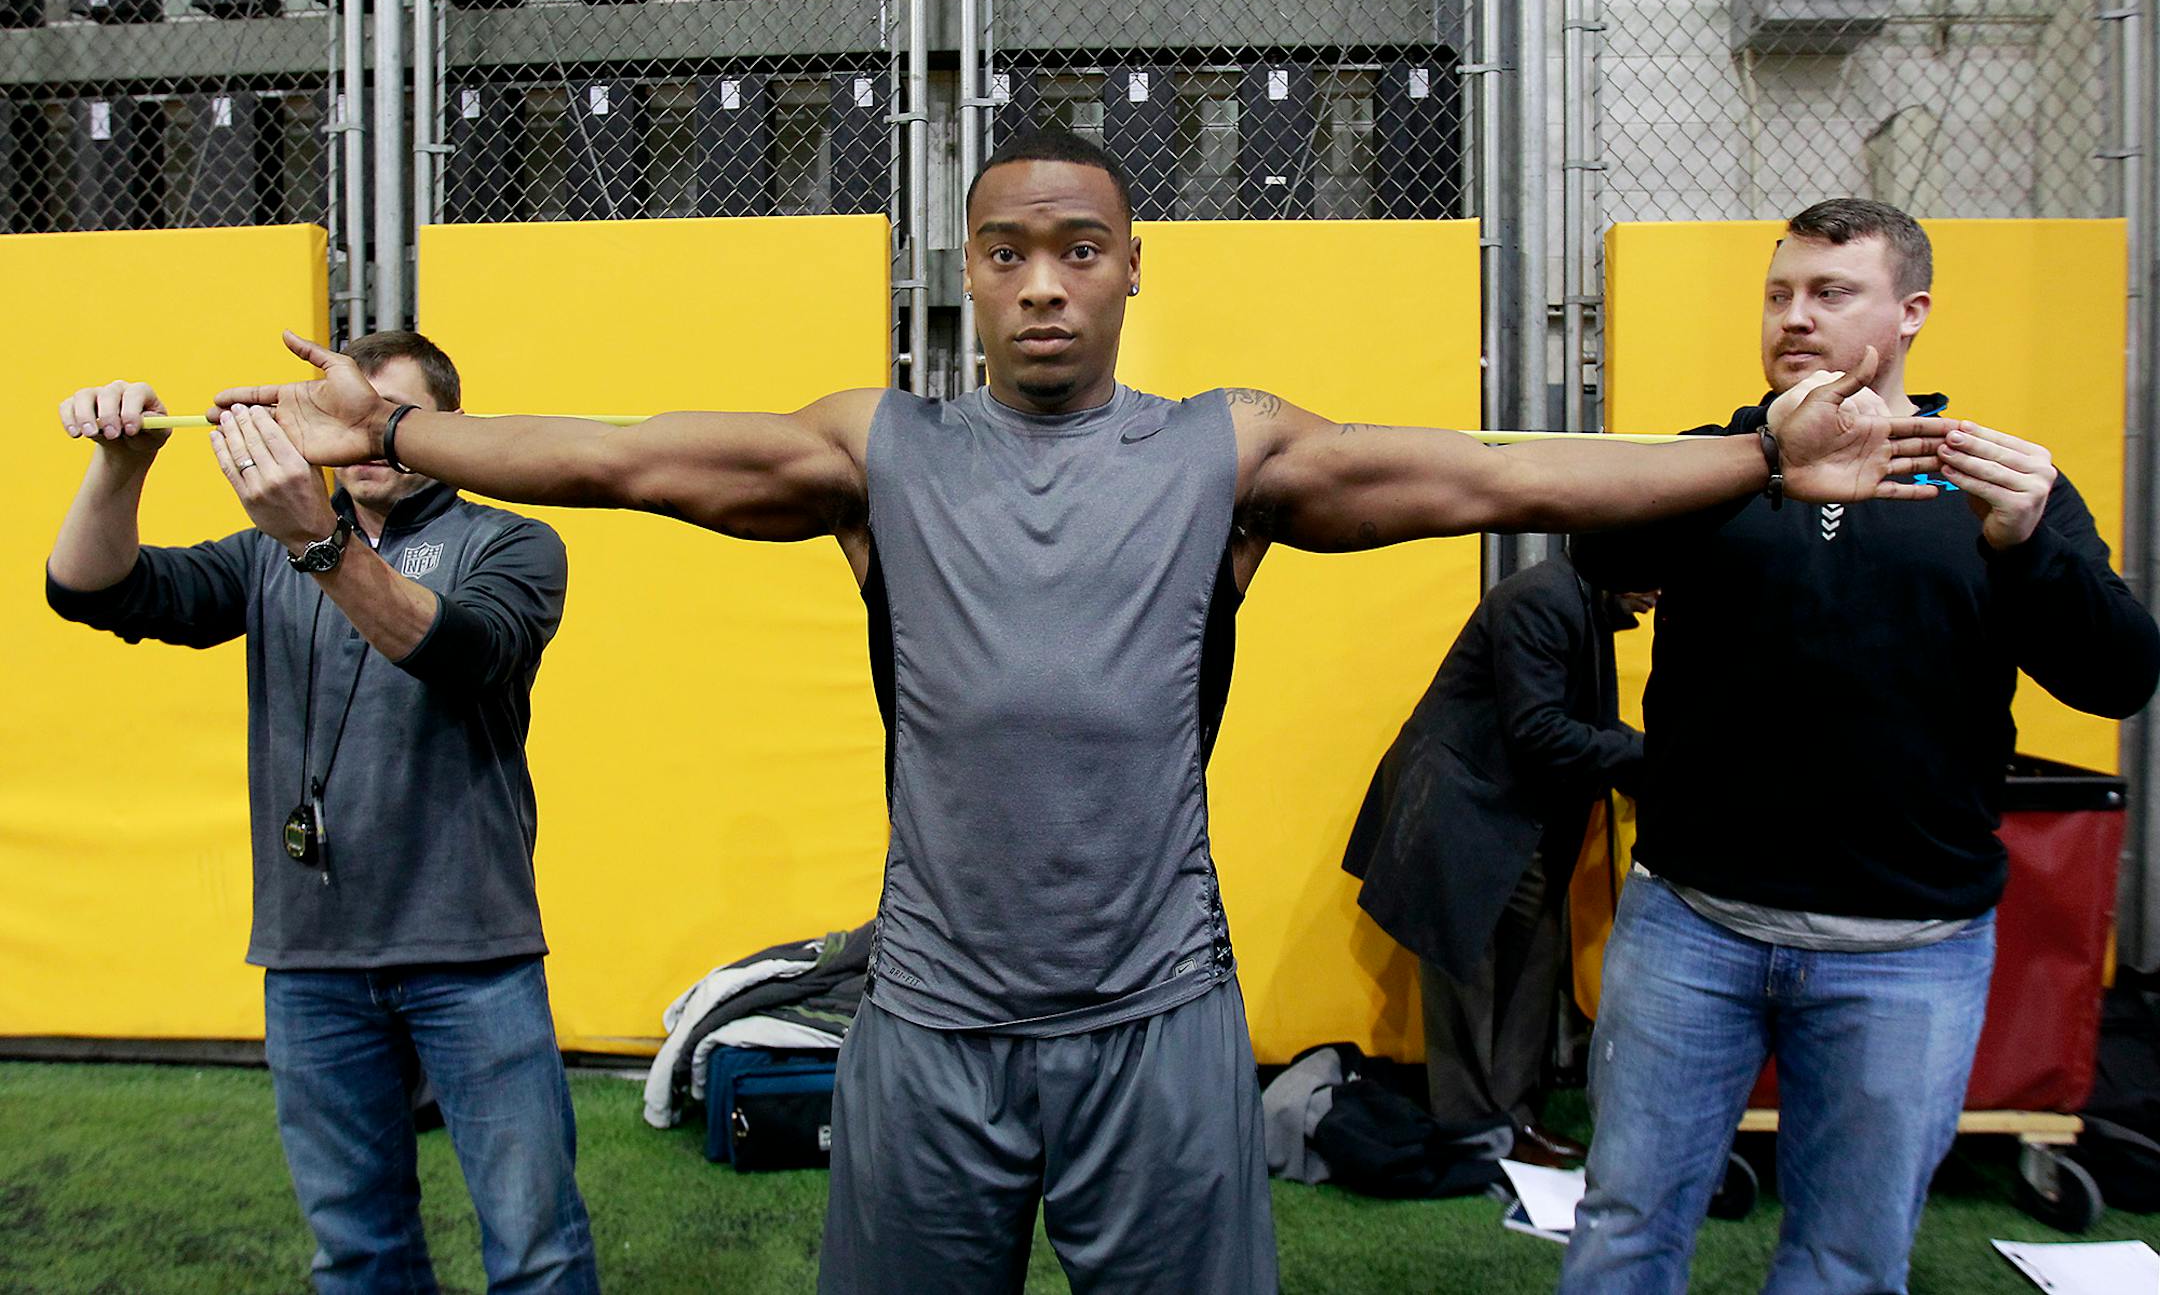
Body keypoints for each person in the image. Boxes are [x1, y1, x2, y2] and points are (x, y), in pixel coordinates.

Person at [208, 129, 1947, 1293]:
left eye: (1080, 249)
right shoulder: (877, 448)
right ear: (965, 274)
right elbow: (626, 455)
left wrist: (1757, 453)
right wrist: (401, 434)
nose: (1044, 281)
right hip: (932, 1018)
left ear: (1130, 272)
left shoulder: (1227, 450)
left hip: (1159, 1011)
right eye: (1009, 252)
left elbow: (1492, 472)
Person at [1560, 198, 2160, 1293]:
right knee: (1626, 1227)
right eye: (1779, 293)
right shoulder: (1714, 465)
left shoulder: (1993, 481)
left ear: (1912, 311)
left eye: (1831, 292)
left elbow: (2119, 673)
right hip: (1693, 922)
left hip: (1909, 947)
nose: (1795, 316)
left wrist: (2027, 548)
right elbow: (1597, 547)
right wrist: (1758, 460)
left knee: (1848, 1259)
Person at [50, 332, 599, 1294]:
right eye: (344, 414)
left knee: (537, 1250)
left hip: (473, 951)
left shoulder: (510, 542)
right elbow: (92, 591)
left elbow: (468, 653)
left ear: (449, 429)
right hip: (310, 961)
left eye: (388, 417)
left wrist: (319, 542)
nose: (359, 437)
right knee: (356, 1252)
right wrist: (120, 467)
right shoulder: (271, 555)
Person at [1343, 554, 1654, 1166]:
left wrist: (1652, 755)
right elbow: (1538, 731)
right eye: (1656, 574)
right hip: (1461, 812)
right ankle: (1471, 1134)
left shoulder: (1577, 601)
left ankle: (1511, 1122)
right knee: (1465, 983)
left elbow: (1574, 725)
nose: (1659, 594)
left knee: (1530, 966)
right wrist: (1650, 758)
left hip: (1506, 815)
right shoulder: (1543, 599)